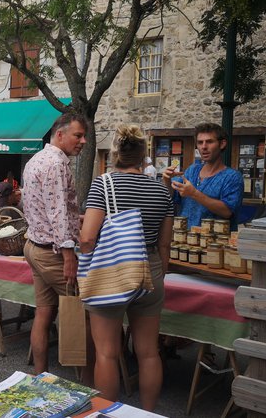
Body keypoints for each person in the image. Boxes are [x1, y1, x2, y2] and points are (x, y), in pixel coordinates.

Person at [80, 125, 174, 410]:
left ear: (116, 153)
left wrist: (86, 260)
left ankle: (108, 413)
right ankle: (147, 413)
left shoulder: (103, 184)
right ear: (143, 155)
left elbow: (87, 237)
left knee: (106, 352)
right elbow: (164, 244)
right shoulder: (162, 191)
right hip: (151, 271)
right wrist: (159, 273)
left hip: (112, 272)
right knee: (148, 353)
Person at [22, 112, 94, 381]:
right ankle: (87, 382)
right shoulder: (56, 162)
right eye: (78, 135)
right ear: (60, 134)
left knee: (43, 313)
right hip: (51, 252)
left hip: (35, 246)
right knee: (80, 313)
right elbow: (58, 212)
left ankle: (41, 377)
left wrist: (79, 217)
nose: (83, 141)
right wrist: (69, 256)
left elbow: (47, 207)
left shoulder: (37, 159)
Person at [164, 123, 243, 231]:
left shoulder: (232, 177)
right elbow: (172, 197)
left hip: (215, 243)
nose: (204, 147)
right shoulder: (192, 170)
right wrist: (167, 181)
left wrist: (194, 193)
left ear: (222, 144)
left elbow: (227, 211)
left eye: (209, 142)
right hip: (184, 240)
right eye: (200, 142)